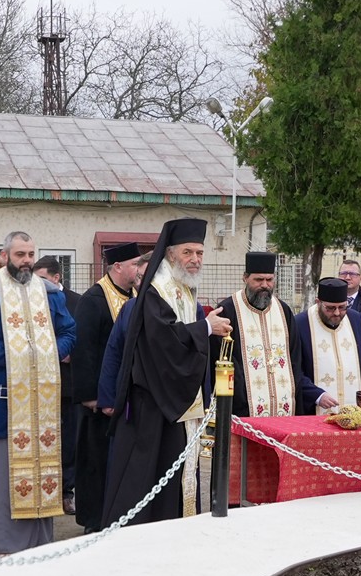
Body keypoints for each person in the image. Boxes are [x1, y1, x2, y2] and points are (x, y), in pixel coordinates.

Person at [102, 218, 232, 526]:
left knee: (175, 476)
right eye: (188, 252)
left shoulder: (183, 288)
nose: (195, 259)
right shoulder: (156, 291)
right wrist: (205, 327)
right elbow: (162, 342)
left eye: (199, 253)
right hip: (154, 406)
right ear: (170, 253)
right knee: (148, 479)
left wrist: (204, 328)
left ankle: (177, 529)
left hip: (177, 402)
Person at [0, 232, 76, 553]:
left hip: (43, 399)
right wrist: (12, 355)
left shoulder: (48, 292)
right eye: (20, 254)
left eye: (30, 254)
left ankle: (39, 538)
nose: (26, 260)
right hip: (3, 393)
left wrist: (50, 352)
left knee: (43, 464)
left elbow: (68, 330)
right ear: (5, 254)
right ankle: (5, 539)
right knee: (3, 467)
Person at [71, 242, 142, 532]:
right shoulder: (94, 299)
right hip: (99, 400)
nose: (139, 270)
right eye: (135, 264)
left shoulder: (136, 296)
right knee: (95, 460)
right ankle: (93, 519)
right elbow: (83, 349)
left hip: (125, 396)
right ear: (117, 267)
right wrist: (91, 395)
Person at [209, 251, 312, 418]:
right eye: (258, 280)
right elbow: (222, 360)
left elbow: (294, 358)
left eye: (269, 280)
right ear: (245, 278)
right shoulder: (228, 310)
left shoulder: (283, 311)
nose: (265, 285)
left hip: (285, 406)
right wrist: (242, 399)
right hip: (242, 408)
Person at [33, 256, 82, 514]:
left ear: (56, 277)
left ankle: (66, 492)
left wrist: (70, 351)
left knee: (69, 440)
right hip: (39, 384)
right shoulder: (32, 301)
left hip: (69, 382)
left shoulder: (77, 302)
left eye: (42, 279)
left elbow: (84, 337)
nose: (38, 285)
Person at [294, 277, 361, 414]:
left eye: (342, 307)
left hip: (355, 410)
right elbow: (294, 369)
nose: (337, 313)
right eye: (330, 308)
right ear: (318, 302)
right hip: (313, 409)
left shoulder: (355, 320)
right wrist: (317, 395)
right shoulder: (300, 323)